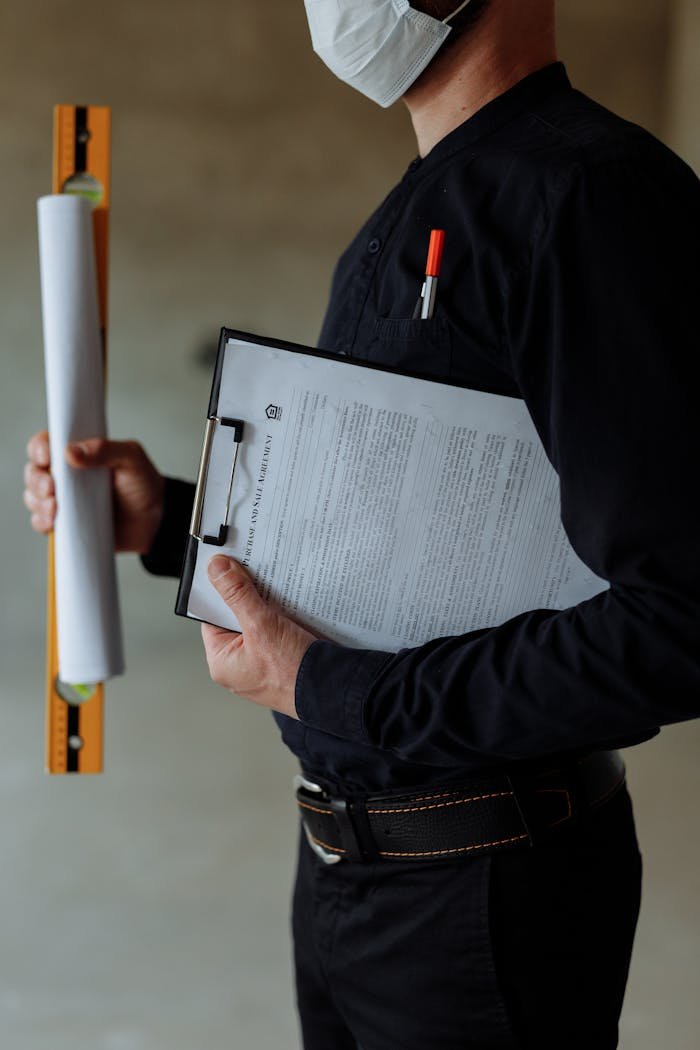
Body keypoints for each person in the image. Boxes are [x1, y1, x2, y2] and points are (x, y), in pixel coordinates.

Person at [24, 1, 700, 1047]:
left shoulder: (586, 196)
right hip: (356, 874)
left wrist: (329, 689)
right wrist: (171, 523)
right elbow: (419, 553)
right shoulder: (426, 200)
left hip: (480, 895)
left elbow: (680, 620)